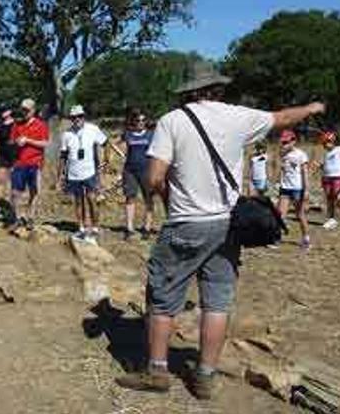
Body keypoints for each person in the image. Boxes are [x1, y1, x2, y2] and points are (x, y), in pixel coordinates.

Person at [115, 62, 325, 399]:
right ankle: (205, 377)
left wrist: (171, 198)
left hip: (186, 221)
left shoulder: (172, 121)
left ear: (187, 91)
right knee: (216, 301)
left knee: (163, 298)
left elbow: (154, 178)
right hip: (227, 224)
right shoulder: (238, 117)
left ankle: (157, 371)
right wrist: (312, 108)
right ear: (217, 88)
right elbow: (283, 117)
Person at [58, 105, 109, 244]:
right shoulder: (66, 134)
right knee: (78, 202)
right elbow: (63, 155)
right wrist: (61, 174)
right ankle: (81, 227)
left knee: (92, 199)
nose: (77, 119)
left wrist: (105, 161)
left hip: (90, 172)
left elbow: (105, 143)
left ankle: (95, 227)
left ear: (83, 116)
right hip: (73, 173)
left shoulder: (93, 129)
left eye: (79, 116)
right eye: (74, 117)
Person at [115, 108, 154, 240]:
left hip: (146, 170)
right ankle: (129, 228)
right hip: (129, 170)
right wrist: (119, 154)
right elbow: (115, 144)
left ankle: (147, 227)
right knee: (130, 197)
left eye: (143, 120)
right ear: (134, 121)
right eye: (138, 120)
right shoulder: (128, 134)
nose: (141, 122)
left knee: (148, 198)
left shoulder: (151, 135)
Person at [9, 98, 49, 226]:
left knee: (34, 191)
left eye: (27, 110)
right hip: (19, 163)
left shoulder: (41, 125)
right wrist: (16, 142)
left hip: (35, 163)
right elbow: (12, 141)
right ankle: (18, 217)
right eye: (22, 109)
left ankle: (30, 217)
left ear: (33, 110)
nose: (24, 112)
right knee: (15, 192)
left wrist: (28, 141)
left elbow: (45, 143)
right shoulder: (17, 124)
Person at [277, 129, 311, 250]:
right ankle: (277, 237)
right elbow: (282, 170)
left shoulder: (301, 155)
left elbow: (305, 173)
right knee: (280, 215)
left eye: (287, 142)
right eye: (283, 142)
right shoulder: (282, 154)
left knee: (300, 214)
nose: (284, 144)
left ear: (294, 141)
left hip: (297, 189)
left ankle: (306, 238)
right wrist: (278, 183)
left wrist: (306, 190)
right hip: (285, 188)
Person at [0, 107, 17, 216]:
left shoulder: (17, 124)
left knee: (15, 182)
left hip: (15, 156)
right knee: (1, 181)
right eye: (1, 111)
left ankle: (12, 207)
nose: (3, 113)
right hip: (2, 155)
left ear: (10, 111)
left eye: (5, 110)